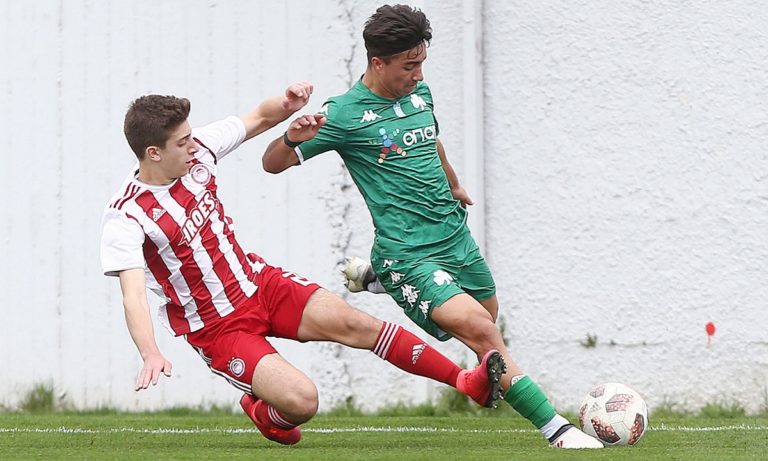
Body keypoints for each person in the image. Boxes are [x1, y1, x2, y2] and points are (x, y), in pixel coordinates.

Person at [261, 6, 603, 449]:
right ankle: (556, 430)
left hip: (454, 238)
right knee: (483, 333)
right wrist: (291, 137)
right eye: (409, 65)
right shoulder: (343, 115)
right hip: (408, 252)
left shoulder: (420, 95)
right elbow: (271, 164)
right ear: (377, 63)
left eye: (422, 62)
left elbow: (430, 140)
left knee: (484, 318)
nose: (418, 74)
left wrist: (455, 185)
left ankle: (381, 281)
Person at [100, 82, 506, 446]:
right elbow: (133, 295)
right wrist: (150, 352)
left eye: (191, 136)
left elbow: (258, 118)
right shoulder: (127, 215)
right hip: (218, 326)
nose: (194, 145)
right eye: (182, 142)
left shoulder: (199, 150)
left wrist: (288, 104)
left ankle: (465, 382)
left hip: (260, 284)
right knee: (302, 401)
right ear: (153, 153)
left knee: (357, 325)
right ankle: (266, 413)